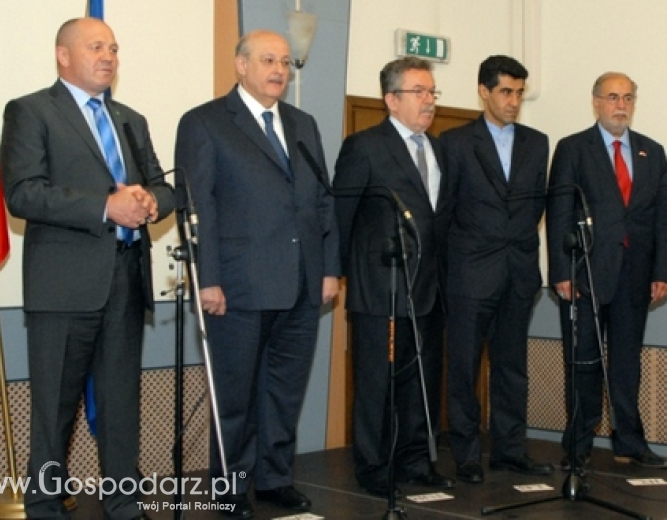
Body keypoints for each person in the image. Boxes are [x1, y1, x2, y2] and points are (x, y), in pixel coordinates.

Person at [0, 17, 174, 520]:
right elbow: (22, 192)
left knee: (121, 406)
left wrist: (151, 201)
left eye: (114, 48)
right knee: (54, 410)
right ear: (63, 54)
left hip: (126, 280)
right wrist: (105, 206)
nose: (108, 57)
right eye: (96, 47)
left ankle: (124, 504)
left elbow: (164, 185)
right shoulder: (32, 111)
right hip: (63, 287)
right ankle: (45, 506)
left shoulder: (130, 119)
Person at [174, 30, 340, 518]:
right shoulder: (205, 122)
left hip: (302, 282)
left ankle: (274, 479)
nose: (279, 70)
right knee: (236, 398)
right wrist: (207, 279)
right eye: (268, 60)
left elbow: (322, 200)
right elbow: (198, 207)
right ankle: (230, 487)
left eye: (285, 62)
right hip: (238, 285)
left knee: (284, 392)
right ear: (241, 64)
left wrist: (330, 268)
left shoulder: (303, 124)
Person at [333, 57, 454, 498]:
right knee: (376, 385)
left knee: (421, 382)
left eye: (432, 92)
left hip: (430, 290)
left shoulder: (439, 149)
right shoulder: (364, 146)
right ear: (391, 99)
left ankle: (416, 461)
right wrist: (337, 273)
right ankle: (373, 465)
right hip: (380, 288)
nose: (429, 101)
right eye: (419, 92)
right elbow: (341, 217)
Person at [546, 72, 667, 472]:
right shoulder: (573, 149)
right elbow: (558, 214)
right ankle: (578, 445)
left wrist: (662, 271)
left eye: (628, 98)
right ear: (596, 102)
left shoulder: (652, 152)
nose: (621, 105)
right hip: (584, 275)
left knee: (626, 364)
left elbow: (663, 219)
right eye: (613, 97)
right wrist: (561, 271)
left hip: (635, 277)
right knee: (583, 363)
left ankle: (629, 442)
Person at [437, 55, 553, 484]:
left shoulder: (537, 142)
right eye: (506, 91)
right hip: (470, 274)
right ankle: (467, 454)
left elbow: (536, 205)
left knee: (512, 368)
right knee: (464, 368)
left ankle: (510, 450)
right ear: (484, 91)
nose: (514, 101)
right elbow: (444, 211)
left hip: (518, 272)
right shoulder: (454, 142)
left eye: (519, 92)